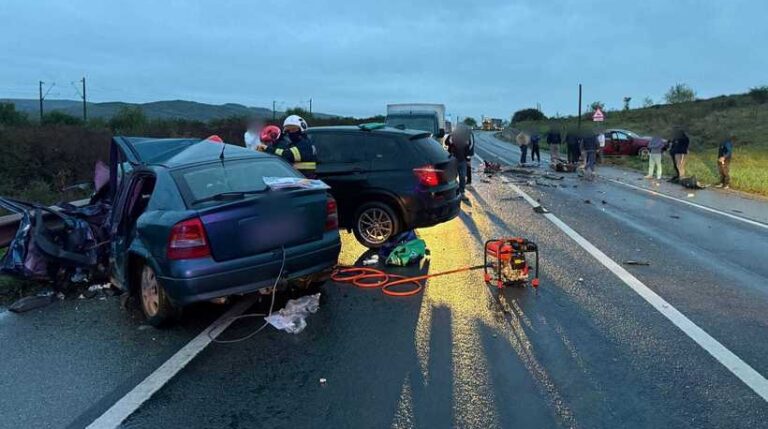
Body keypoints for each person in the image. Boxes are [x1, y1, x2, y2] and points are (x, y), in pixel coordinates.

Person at [446, 124, 472, 200]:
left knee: (462, 177)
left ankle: (462, 193)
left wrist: (468, 160)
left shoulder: (465, 137)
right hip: (453, 160)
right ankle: (452, 193)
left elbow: (468, 148)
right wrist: (451, 137)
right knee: (452, 177)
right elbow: (447, 143)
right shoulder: (453, 135)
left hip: (462, 160)